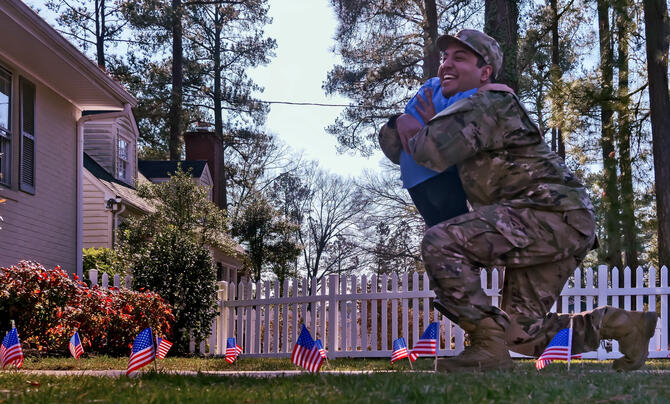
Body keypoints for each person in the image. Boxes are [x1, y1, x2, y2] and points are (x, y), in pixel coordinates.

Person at [378, 29, 658, 372]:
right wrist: (404, 124)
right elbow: (399, 150)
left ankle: (487, 348)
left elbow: (424, 150)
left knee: (440, 243)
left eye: (459, 58)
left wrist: (410, 120)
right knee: (521, 332)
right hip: (563, 220)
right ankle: (623, 325)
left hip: (550, 214)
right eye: (445, 58)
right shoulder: (470, 107)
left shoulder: (487, 103)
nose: (446, 65)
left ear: (485, 72)